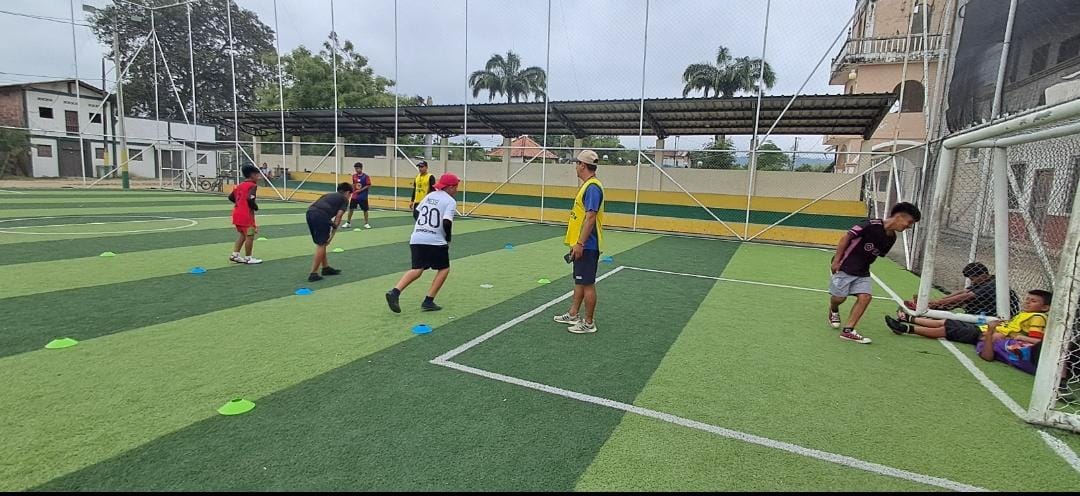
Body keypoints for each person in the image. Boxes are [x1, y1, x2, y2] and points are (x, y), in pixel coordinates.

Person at [828, 202, 922, 344]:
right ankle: (833, 309)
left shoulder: (891, 238)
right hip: (845, 266)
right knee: (839, 299)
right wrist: (836, 260)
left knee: (865, 297)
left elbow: (874, 254)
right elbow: (846, 238)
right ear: (899, 217)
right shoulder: (870, 224)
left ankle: (848, 331)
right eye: (909, 222)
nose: (909, 227)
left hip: (863, 271)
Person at [385, 173, 460, 313]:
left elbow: (417, 212)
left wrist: (422, 227)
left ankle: (395, 292)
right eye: (456, 187)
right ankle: (428, 301)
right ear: (450, 187)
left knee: (417, 269)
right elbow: (446, 222)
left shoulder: (430, 196)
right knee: (444, 269)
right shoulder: (450, 201)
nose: (457, 189)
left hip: (417, 237)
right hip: (435, 240)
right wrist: (448, 239)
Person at [553, 150, 605, 334]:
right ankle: (573, 313)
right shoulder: (589, 186)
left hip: (587, 245)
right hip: (582, 244)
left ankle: (589, 322)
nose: (575, 166)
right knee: (580, 281)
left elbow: (590, 217)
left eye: (577, 163)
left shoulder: (592, 188)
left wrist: (581, 244)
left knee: (587, 283)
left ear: (583, 165)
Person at [886, 289, 1051, 346]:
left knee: (946, 329)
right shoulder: (1026, 314)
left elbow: (1035, 338)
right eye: (1027, 299)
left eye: (1033, 301)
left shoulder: (1038, 317)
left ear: (1045, 307)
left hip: (988, 334)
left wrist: (1016, 337)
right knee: (948, 322)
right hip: (985, 327)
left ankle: (906, 328)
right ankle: (908, 319)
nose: (1027, 302)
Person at [898, 262, 1018, 319]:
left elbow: (966, 296)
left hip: (993, 312)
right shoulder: (985, 281)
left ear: (983, 275)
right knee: (959, 300)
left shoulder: (993, 284)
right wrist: (941, 300)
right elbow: (964, 292)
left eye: (973, 278)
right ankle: (927, 308)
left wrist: (937, 302)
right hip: (986, 306)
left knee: (962, 301)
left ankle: (927, 308)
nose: (972, 281)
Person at [305, 182, 354, 282]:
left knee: (321, 243)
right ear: (347, 193)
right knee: (322, 244)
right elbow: (339, 216)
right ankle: (313, 273)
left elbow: (313, 204)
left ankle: (325, 268)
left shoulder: (329, 195)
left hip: (310, 213)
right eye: (350, 195)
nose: (350, 197)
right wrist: (332, 235)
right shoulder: (344, 199)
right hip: (321, 215)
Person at [228, 165, 262, 265]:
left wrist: (240, 203)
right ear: (252, 175)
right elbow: (250, 199)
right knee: (250, 236)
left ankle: (235, 255)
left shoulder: (240, 185)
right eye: (257, 175)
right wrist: (255, 207)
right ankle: (248, 258)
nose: (259, 177)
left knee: (243, 235)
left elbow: (231, 197)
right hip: (246, 215)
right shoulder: (252, 185)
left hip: (237, 213)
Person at [342, 162, 372, 229]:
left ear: (361, 168)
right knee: (351, 209)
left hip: (363, 196)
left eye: (358, 168)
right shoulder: (354, 176)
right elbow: (353, 184)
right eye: (355, 168)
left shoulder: (366, 176)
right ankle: (348, 223)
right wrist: (351, 192)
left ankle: (366, 223)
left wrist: (360, 190)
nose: (356, 170)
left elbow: (368, 185)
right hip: (355, 196)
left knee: (365, 210)